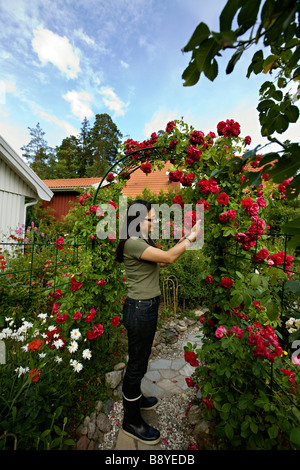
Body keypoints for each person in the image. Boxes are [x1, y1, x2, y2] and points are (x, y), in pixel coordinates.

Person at [115, 199, 201, 445]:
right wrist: (191, 238)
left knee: (140, 360)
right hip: (139, 310)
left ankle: (137, 398)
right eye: (152, 218)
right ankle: (130, 421)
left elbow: (163, 260)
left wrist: (184, 238)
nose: (155, 222)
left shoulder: (142, 242)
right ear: (138, 220)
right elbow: (169, 259)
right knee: (136, 365)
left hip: (146, 308)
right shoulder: (133, 242)